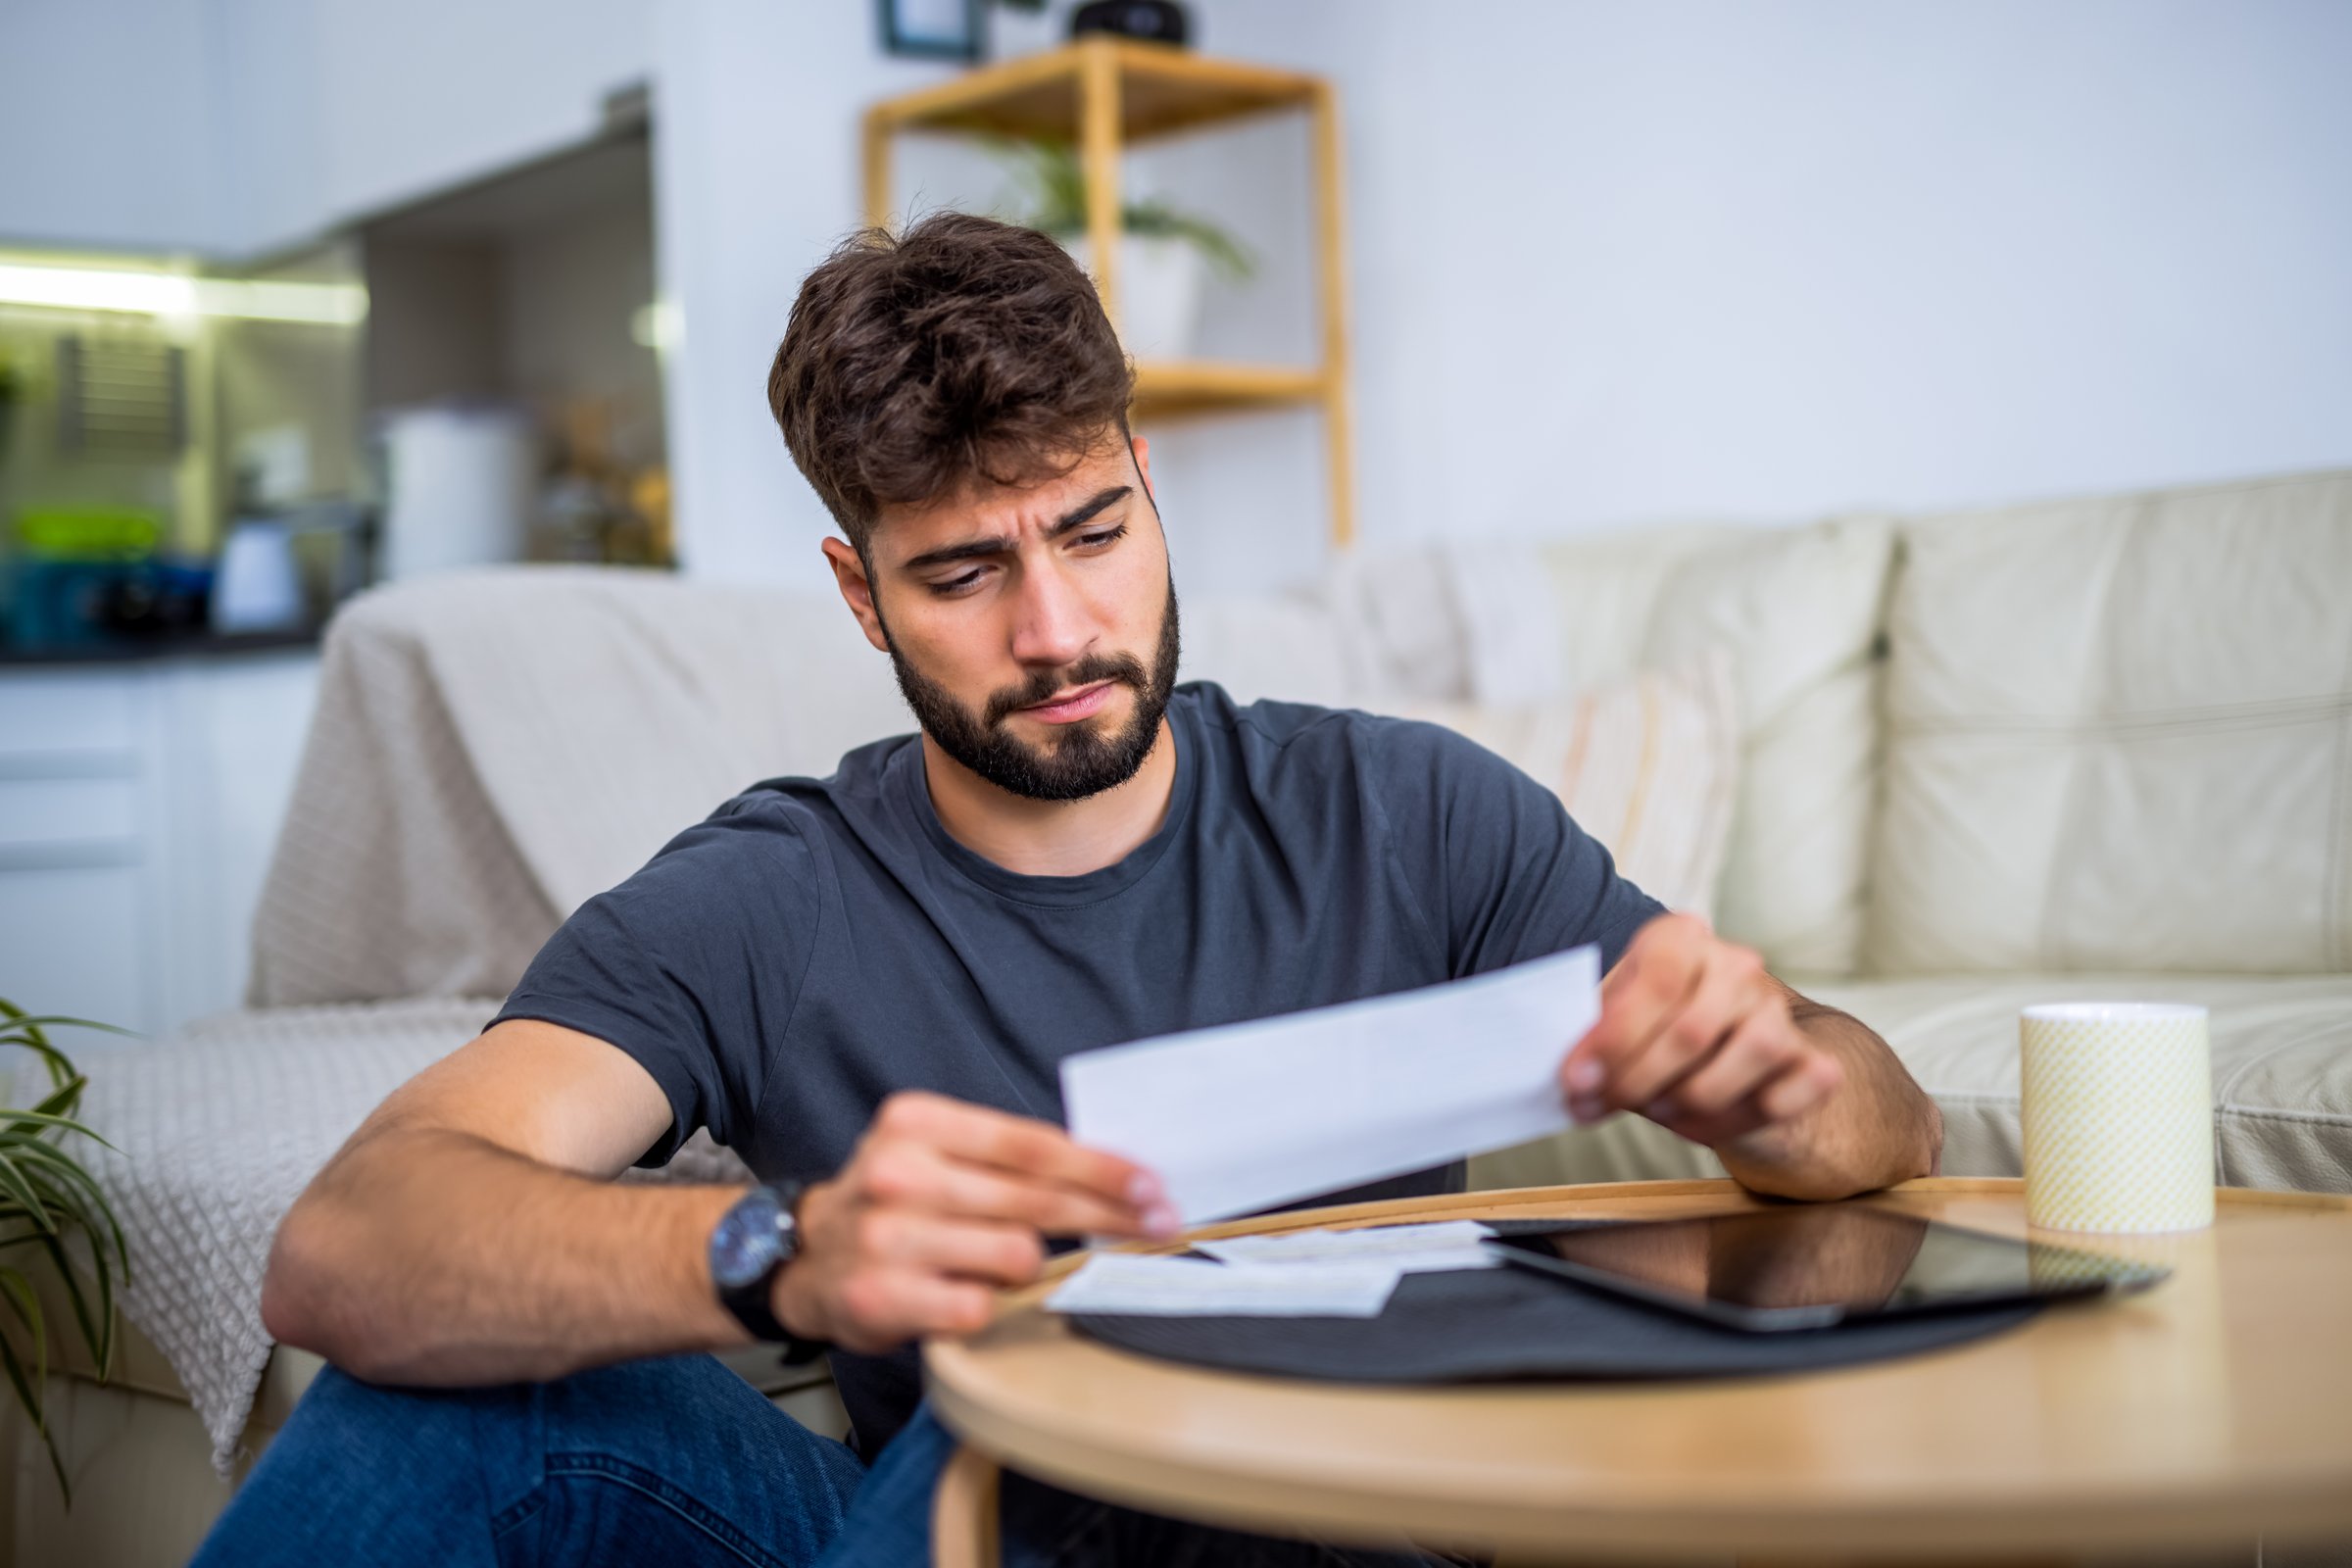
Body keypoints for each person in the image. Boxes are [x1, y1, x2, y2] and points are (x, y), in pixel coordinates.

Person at [193, 213, 1943, 1568]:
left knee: (1074, 1421)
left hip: (1333, 1537)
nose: (1057, 634)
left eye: (1093, 534)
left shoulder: (1400, 810)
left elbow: (1883, 1126)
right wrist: (782, 1252)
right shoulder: (779, 890)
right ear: (860, 595)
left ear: (1148, 486)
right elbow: (351, 1246)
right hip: (952, 1520)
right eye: (961, 573)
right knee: (448, 1408)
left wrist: (1773, 1084)